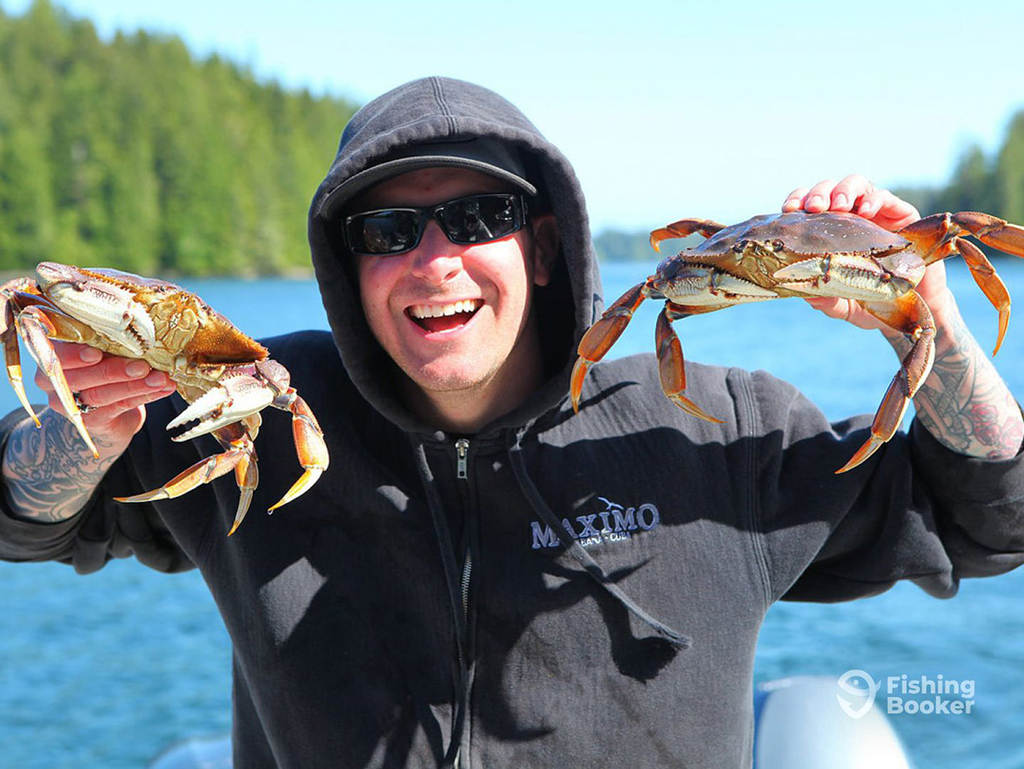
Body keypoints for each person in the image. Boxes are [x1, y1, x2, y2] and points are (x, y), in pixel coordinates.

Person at [1, 76, 1022, 768]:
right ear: (347, 270)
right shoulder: (257, 409)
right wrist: (77, 433)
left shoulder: (713, 425)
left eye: (479, 218)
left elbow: (987, 520)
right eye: (387, 229)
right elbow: (25, 520)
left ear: (541, 247)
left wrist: (925, 323)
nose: (434, 256)